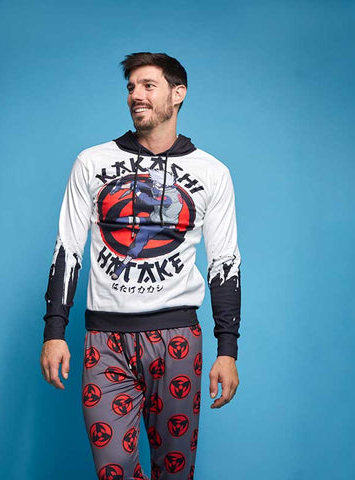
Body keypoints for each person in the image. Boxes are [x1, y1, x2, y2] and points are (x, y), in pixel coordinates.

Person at [40, 52, 242, 480]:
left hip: (176, 339)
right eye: (131, 87)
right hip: (104, 341)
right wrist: (54, 332)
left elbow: (224, 263)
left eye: (149, 85)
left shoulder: (212, 172)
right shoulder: (91, 162)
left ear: (178, 93)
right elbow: (67, 249)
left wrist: (228, 351)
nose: (137, 95)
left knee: (175, 471)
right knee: (113, 469)